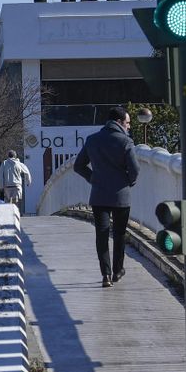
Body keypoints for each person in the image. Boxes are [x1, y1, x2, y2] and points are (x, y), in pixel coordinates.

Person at [73, 105, 139, 287]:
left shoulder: (92, 140)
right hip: (121, 196)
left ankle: (106, 275)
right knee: (119, 234)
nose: (129, 126)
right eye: (127, 123)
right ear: (119, 122)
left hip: (99, 195)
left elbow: (78, 165)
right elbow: (135, 169)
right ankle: (118, 271)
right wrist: (128, 181)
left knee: (101, 235)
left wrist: (92, 178)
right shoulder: (126, 142)